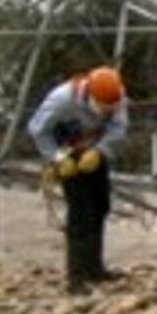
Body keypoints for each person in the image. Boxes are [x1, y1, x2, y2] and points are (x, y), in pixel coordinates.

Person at [28, 66, 128, 294]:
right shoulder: (61, 101)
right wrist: (56, 158)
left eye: (111, 106)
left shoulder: (118, 96)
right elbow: (37, 129)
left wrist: (101, 151)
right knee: (80, 213)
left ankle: (95, 268)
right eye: (103, 106)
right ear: (90, 97)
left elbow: (118, 128)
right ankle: (76, 276)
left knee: (100, 207)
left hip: (95, 151)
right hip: (66, 152)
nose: (108, 111)